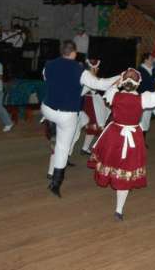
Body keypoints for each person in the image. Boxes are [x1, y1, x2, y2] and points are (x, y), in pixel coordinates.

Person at [90, 69, 155, 220]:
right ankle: (119, 210)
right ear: (138, 84)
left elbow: (111, 88)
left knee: (113, 162)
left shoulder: (114, 94)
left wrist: (118, 82)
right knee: (126, 168)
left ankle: (114, 183)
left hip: (114, 135)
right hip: (133, 136)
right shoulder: (144, 98)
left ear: (123, 82)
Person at [42, 40, 119, 198]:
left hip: (48, 108)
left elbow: (47, 79)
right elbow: (101, 85)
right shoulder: (79, 69)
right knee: (63, 146)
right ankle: (55, 184)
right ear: (74, 53)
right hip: (66, 114)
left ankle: (51, 124)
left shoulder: (48, 65)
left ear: (61, 51)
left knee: (81, 118)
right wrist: (120, 76)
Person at [80, 59, 110, 155]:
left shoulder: (90, 77)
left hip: (94, 102)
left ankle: (85, 148)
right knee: (93, 126)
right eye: (96, 68)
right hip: (90, 104)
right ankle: (89, 148)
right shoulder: (88, 78)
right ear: (92, 68)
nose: (97, 69)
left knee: (94, 127)